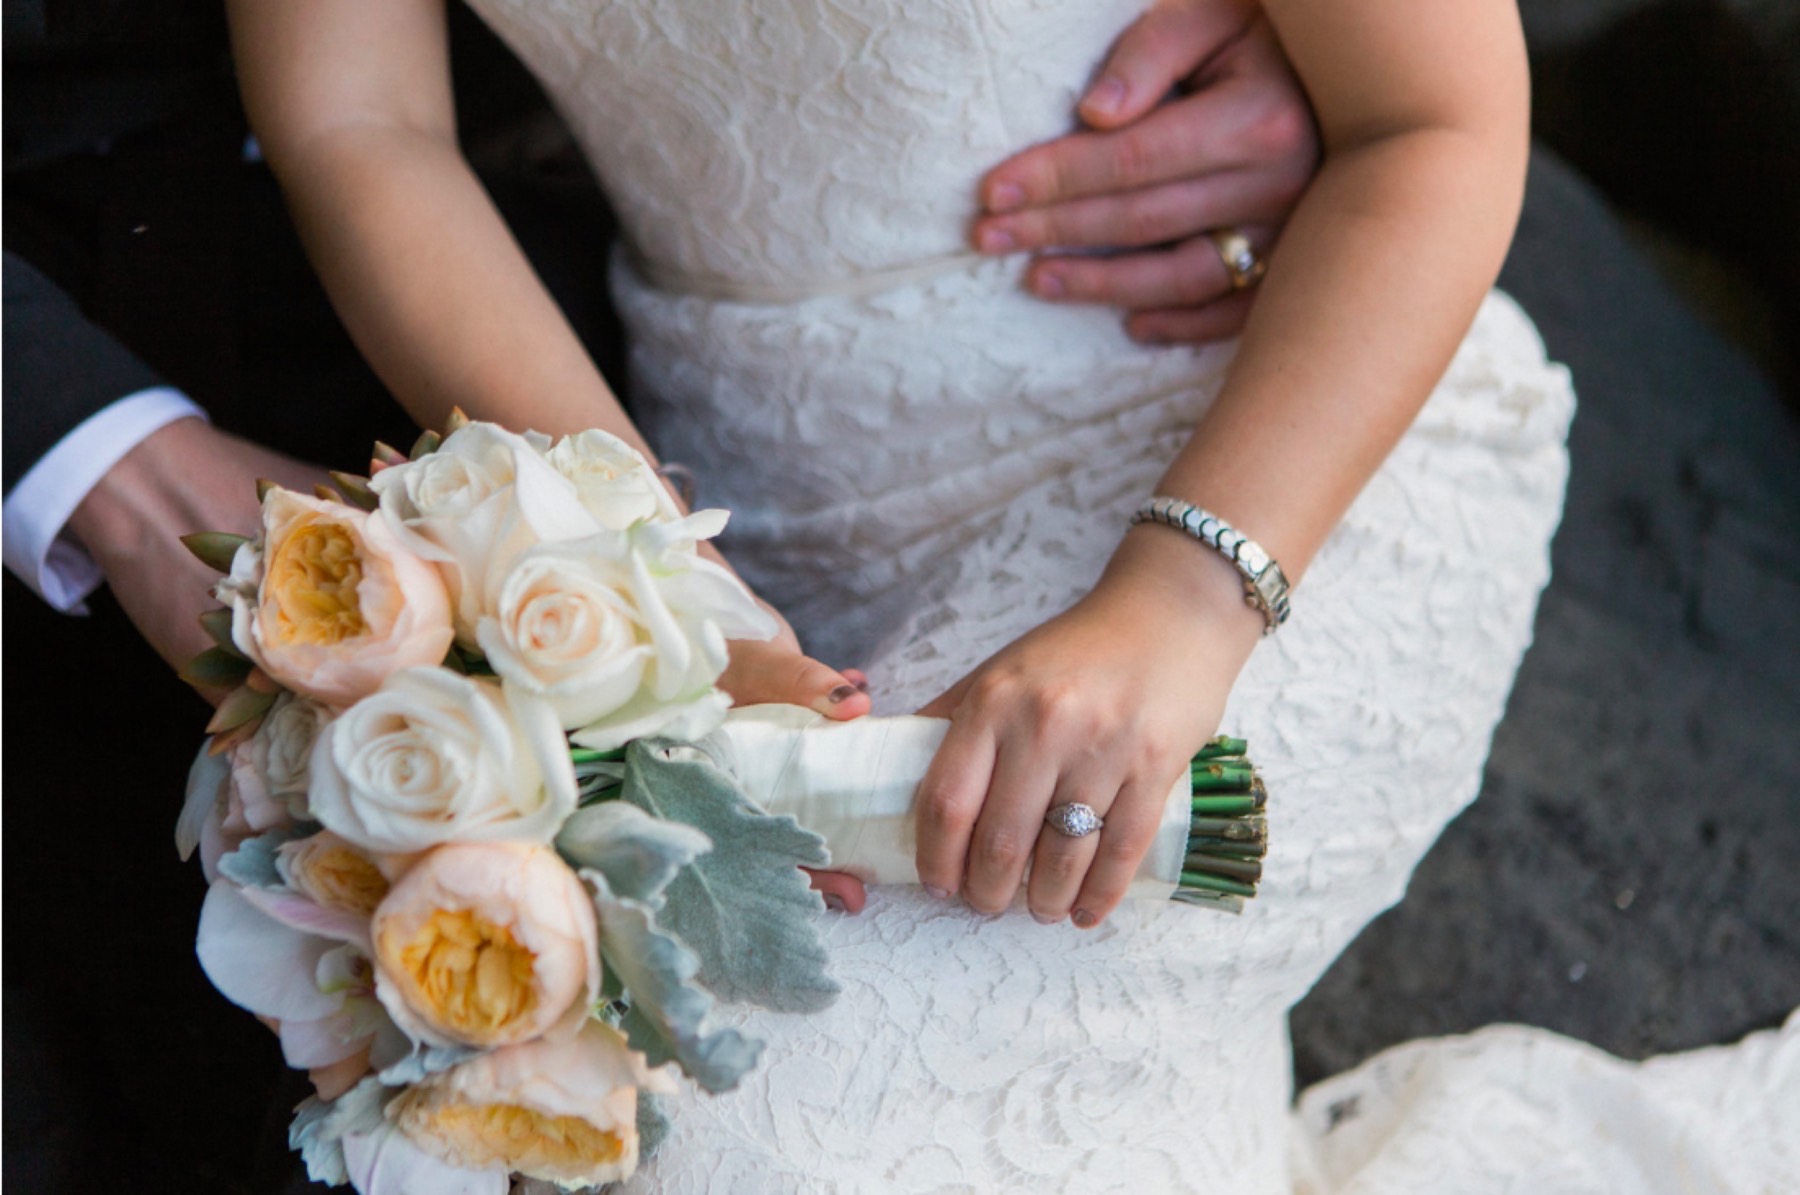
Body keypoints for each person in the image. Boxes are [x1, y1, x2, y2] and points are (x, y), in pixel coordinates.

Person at [221, 0, 1796, 1189]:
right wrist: (660, 592)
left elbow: (1436, 117)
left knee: (768, 1136)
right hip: (738, 517)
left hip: (1246, 458)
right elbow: (364, 128)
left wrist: (1181, 603)